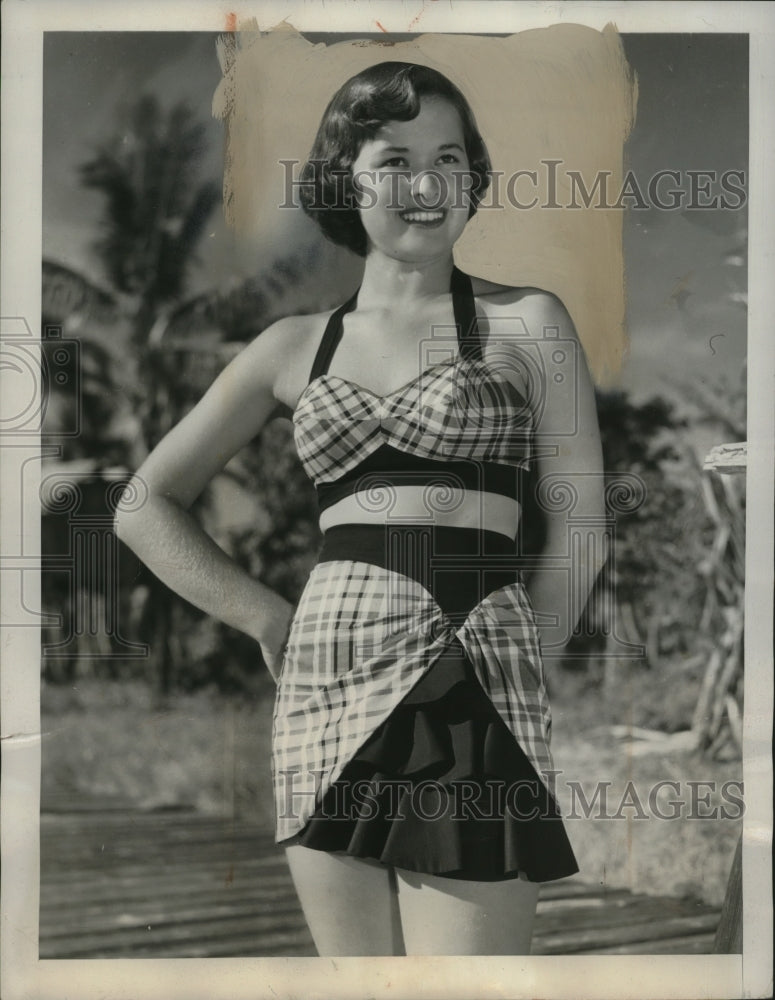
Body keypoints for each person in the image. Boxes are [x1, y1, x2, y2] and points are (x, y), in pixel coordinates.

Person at [116, 61, 606, 956]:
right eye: (393, 159)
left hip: (471, 672)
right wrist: (266, 617)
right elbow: (145, 504)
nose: (424, 185)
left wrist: (523, 658)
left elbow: (579, 521)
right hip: (326, 676)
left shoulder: (528, 322)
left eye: (448, 158)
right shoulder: (290, 344)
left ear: (472, 175)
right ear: (346, 176)